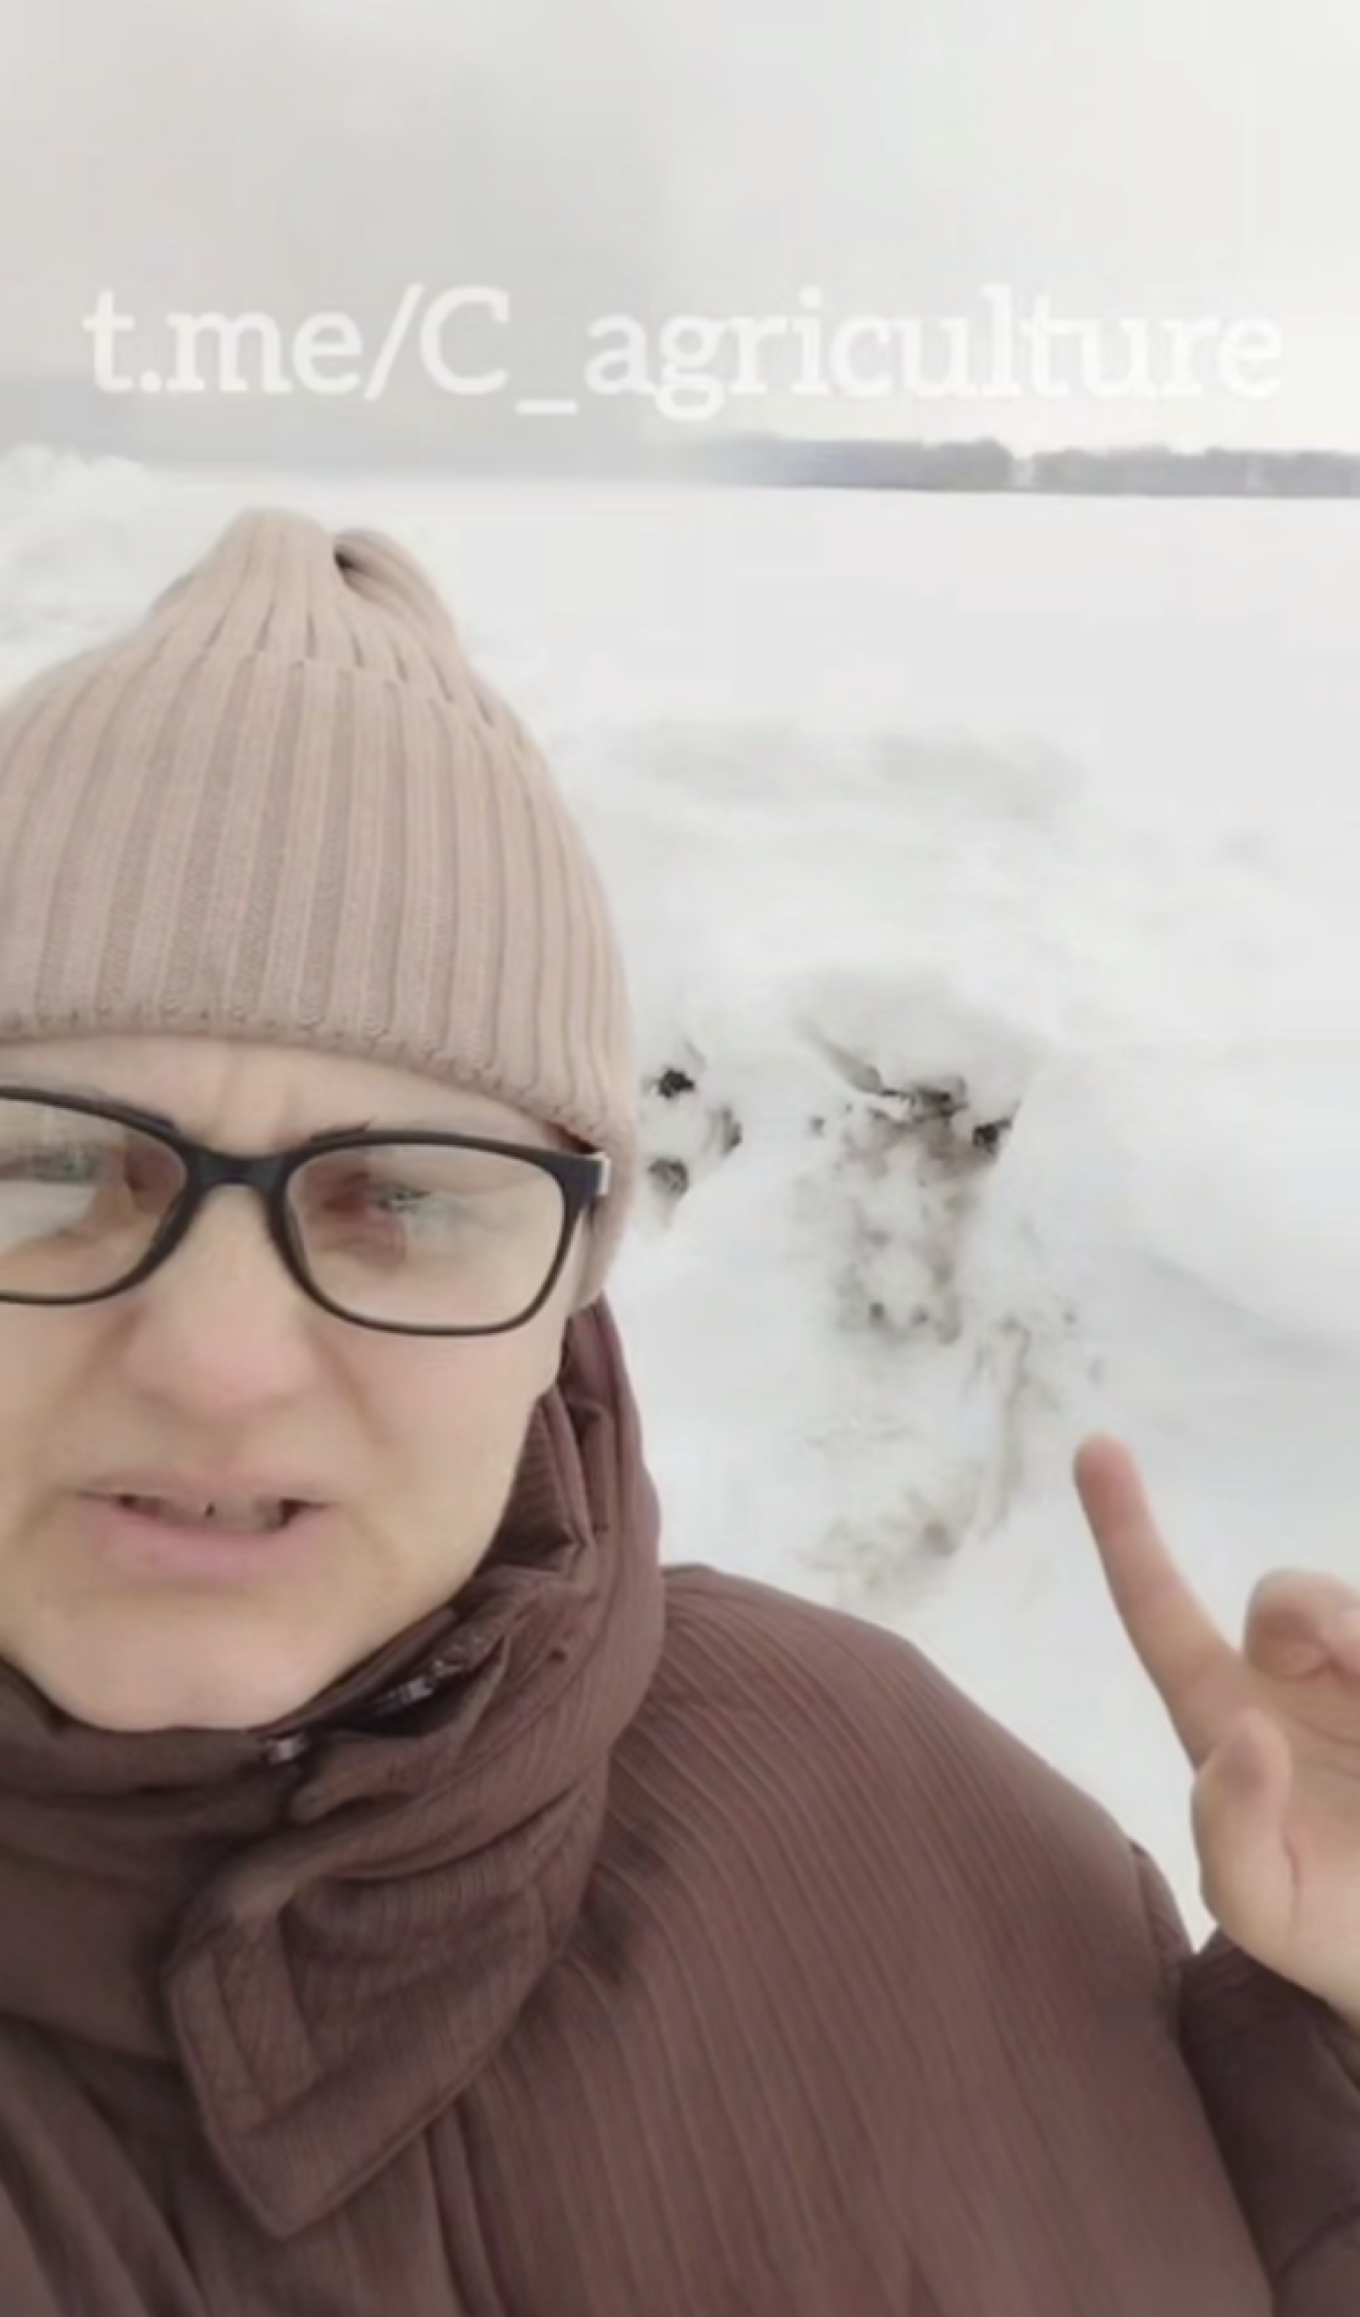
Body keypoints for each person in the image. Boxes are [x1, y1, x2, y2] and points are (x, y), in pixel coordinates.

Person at [0, 507, 1354, 2317]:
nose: (218, 1358)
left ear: (568, 1287)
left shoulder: (899, 1800)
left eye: (402, 1199)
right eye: (55, 1167)